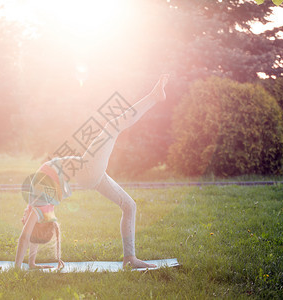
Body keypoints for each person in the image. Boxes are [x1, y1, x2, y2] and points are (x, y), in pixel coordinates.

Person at [15, 74, 170, 269]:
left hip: (90, 177)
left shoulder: (37, 207)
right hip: (87, 169)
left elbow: (31, 233)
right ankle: (154, 96)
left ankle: (130, 258)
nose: (23, 221)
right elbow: (25, 237)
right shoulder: (38, 207)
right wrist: (16, 269)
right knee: (113, 125)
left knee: (129, 206)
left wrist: (32, 263)